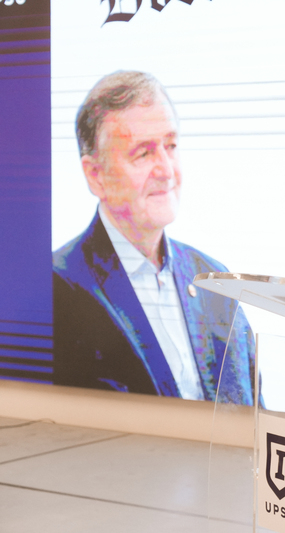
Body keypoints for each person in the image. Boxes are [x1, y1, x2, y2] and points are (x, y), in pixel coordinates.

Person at [52, 71, 255, 404]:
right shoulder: (54, 290)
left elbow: (253, 413)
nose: (166, 170)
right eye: (143, 153)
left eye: (170, 146)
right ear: (96, 175)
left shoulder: (216, 282)